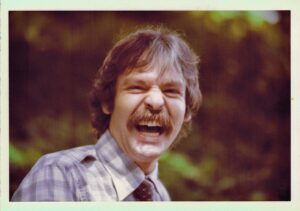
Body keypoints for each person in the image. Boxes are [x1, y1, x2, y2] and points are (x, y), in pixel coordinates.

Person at [11, 26, 202, 201]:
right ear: (107, 102)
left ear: (187, 111)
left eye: (171, 91)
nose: (156, 101)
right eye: (137, 87)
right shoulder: (59, 175)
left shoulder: (162, 197)